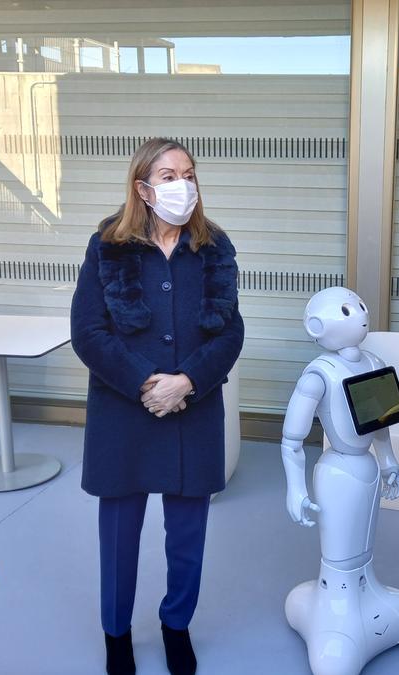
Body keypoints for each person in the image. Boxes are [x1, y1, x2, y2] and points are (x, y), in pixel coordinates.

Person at [70, 138, 244, 675]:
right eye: (169, 177)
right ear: (143, 189)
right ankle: (116, 633)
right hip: (124, 414)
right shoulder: (108, 245)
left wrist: (187, 381)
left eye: (189, 174)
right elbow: (88, 332)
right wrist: (147, 382)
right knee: (119, 537)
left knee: (188, 538)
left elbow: (231, 330)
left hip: (193, 412)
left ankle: (176, 626)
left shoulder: (214, 246)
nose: (182, 185)